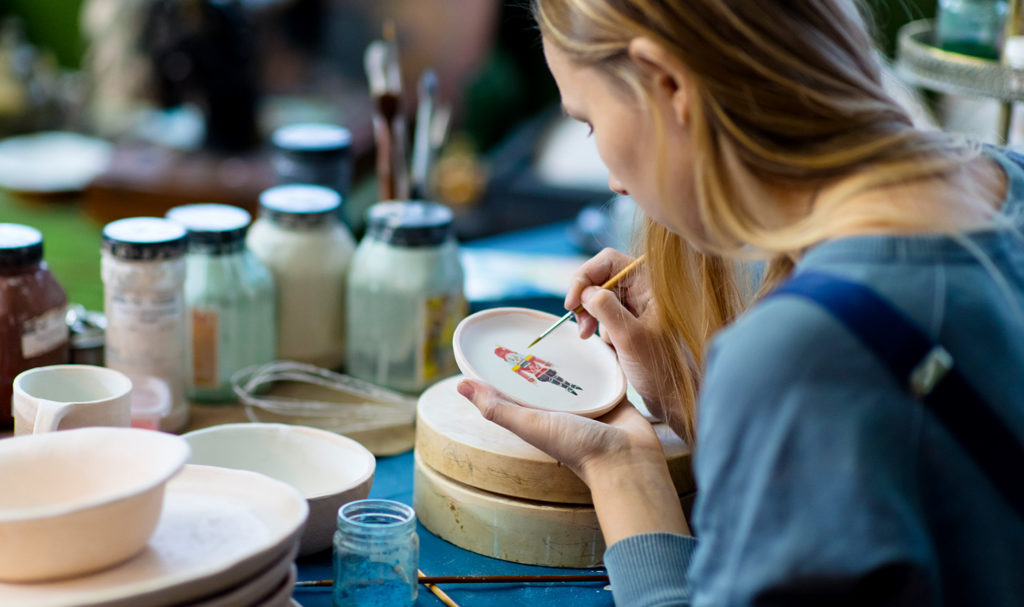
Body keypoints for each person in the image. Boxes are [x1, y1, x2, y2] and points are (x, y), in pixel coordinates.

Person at [455, 1, 1024, 605]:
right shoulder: (1006, 180)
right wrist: (696, 406)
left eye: (590, 122)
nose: (614, 183)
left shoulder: (806, 354)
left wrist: (622, 470)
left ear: (668, 82)